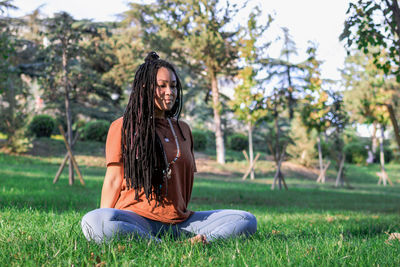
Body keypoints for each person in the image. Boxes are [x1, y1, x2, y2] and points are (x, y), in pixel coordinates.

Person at [81, 52, 257, 244]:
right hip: (137, 220)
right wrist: (105, 217)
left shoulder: (183, 130)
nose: (170, 92)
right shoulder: (123, 126)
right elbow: (114, 180)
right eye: (162, 86)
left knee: (245, 219)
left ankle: (198, 242)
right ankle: (162, 245)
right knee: (93, 221)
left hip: (181, 222)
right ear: (145, 88)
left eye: (173, 86)